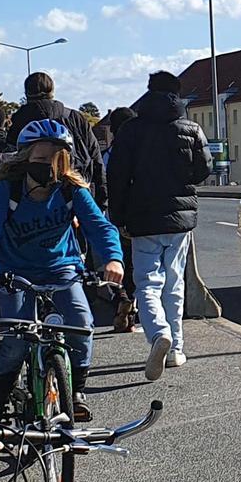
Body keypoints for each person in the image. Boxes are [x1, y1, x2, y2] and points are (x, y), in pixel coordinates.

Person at [0, 119, 123, 424]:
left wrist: (112, 260)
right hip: (16, 273)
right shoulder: (7, 191)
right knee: (18, 336)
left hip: (62, 269)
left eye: (54, 158)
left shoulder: (70, 191)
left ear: (64, 159)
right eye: (40, 158)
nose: (47, 165)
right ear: (24, 157)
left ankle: (75, 390)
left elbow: (99, 228)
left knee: (81, 323)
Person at [106, 71, 212, 380]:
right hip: (180, 220)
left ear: (148, 92)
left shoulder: (130, 130)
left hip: (142, 217)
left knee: (147, 283)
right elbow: (203, 170)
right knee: (173, 282)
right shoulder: (191, 129)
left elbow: (116, 176)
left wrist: (119, 216)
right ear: (177, 95)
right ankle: (176, 348)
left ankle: (157, 334)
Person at [5, 72, 106, 207]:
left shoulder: (19, 121)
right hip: (76, 190)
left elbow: (10, 162)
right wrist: (101, 198)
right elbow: (95, 157)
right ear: (52, 91)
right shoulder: (74, 117)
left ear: (26, 93)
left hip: (29, 199)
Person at [98, 107, 139, 332]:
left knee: (113, 264)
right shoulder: (141, 152)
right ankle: (131, 308)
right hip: (140, 217)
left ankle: (120, 299)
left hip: (113, 217)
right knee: (135, 266)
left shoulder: (108, 154)